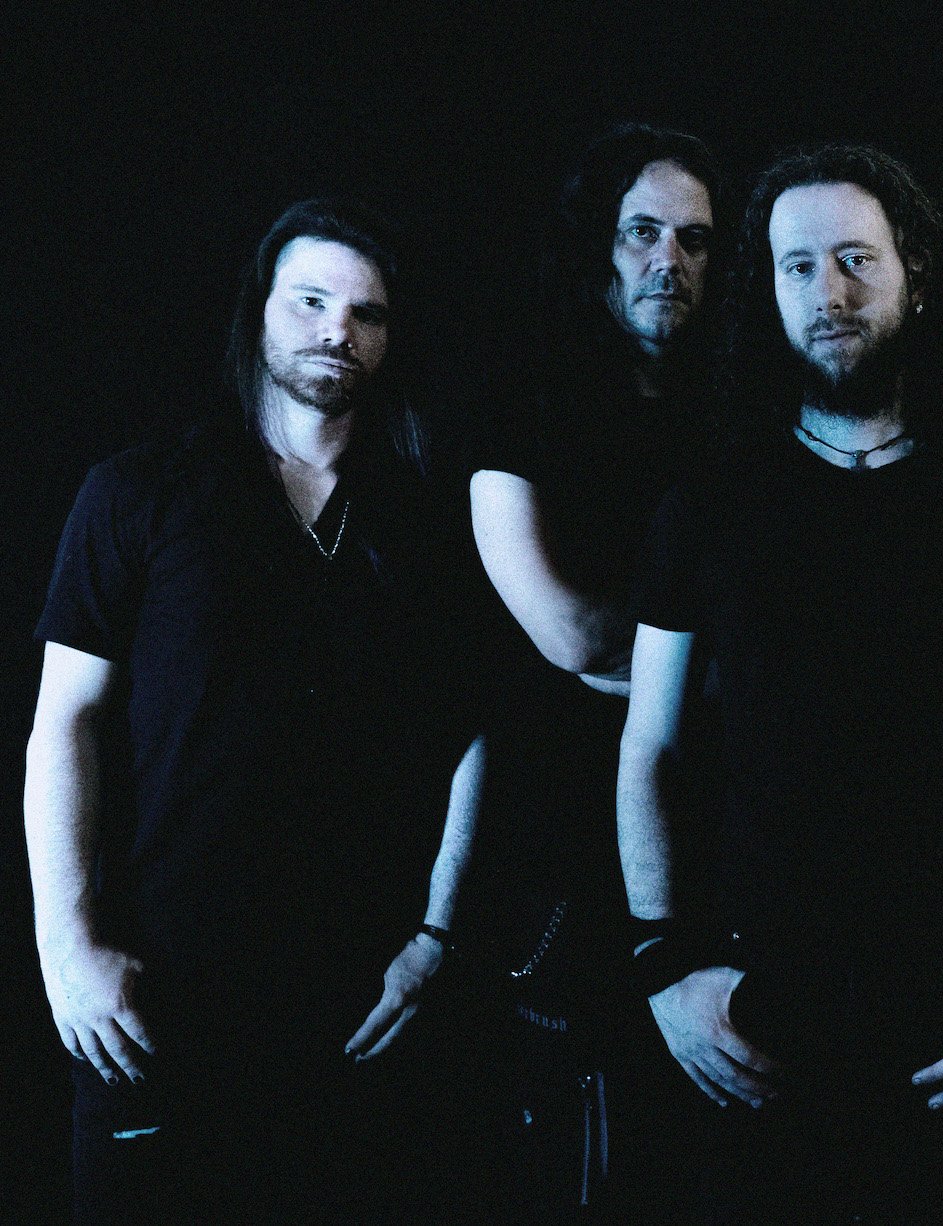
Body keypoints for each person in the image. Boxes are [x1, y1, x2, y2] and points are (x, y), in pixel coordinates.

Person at [616, 144, 943, 1219]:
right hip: (759, 1008)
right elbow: (647, 747)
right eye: (799, 266)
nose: (829, 292)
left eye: (854, 258)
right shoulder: (707, 499)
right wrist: (666, 967)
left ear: (915, 273)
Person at [25, 198, 489, 1221]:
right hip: (155, 998)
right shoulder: (140, 490)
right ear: (260, 313)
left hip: (355, 1011)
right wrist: (67, 948)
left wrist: (435, 935)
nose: (337, 330)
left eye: (365, 312)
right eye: (312, 300)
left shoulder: (425, 521)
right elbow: (64, 723)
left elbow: (471, 734)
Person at [463, 122, 728, 1213]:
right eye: (643, 233)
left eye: (698, 241)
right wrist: (695, 671)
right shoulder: (521, 398)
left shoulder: (737, 417)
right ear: (602, 248)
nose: (670, 259)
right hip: (558, 841)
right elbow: (566, 630)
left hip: (710, 836)